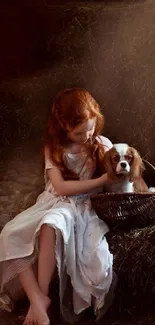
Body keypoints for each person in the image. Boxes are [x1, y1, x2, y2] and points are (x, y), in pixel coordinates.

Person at [0, 88, 115, 325]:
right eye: (80, 132)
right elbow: (60, 188)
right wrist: (101, 181)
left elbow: (118, 175)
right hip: (54, 200)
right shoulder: (55, 149)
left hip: (80, 207)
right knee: (9, 235)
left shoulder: (102, 144)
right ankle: (38, 298)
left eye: (91, 129)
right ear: (64, 127)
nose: (88, 136)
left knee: (51, 224)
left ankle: (39, 299)